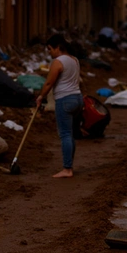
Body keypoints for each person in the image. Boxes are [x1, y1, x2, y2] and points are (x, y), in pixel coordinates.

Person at [36, 34, 84, 178]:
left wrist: (40, 97)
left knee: (65, 135)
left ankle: (67, 169)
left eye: (50, 49)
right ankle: (69, 166)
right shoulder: (74, 60)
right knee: (71, 135)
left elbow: (49, 83)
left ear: (58, 47)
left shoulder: (58, 62)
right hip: (77, 99)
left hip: (65, 100)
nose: (49, 52)